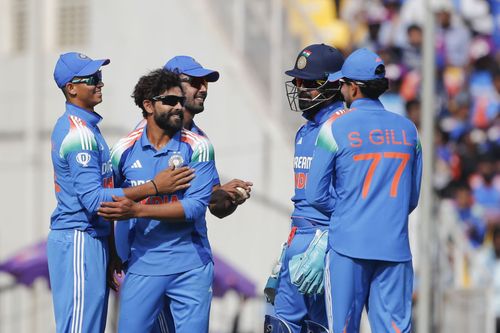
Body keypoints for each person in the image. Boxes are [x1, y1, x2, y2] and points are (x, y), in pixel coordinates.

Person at [48, 53, 192, 333]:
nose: (99, 84)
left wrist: (112, 248)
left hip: (93, 238)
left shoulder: (89, 128)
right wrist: (153, 187)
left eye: (100, 77)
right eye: (91, 79)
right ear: (71, 88)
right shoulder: (79, 133)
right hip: (79, 236)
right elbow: (92, 200)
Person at [305, 48, 423, 333]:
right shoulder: (409, 131)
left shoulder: (335, 128)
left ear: (353, 88)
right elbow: (411, 198)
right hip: (395, 248)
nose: (340, 88)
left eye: (342, 83)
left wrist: (351, 210)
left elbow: (314, 194)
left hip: (348, 247)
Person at [98, 69, 216, 332]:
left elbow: (195, 207)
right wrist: (113, 253)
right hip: (143, 264)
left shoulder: (198, 146)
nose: (178, 107)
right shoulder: (122, 150)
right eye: (170, 101)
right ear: (148, 105)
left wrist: (138, 209)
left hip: (191, 266)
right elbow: (108, 203)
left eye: (180, 102)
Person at [265, 43, 345, 333]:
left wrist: (326, 238)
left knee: (321, 327)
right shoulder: (305, 129)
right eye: (298, 81)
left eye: (309, 83)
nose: (301, 88)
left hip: (327, 240)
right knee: (279, 325)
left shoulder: (342, 126)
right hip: (298, 235)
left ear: (335, 84)